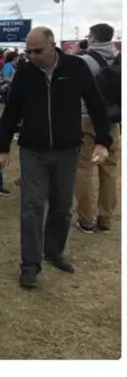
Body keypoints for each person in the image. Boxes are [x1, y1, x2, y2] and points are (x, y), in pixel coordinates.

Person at [0, 27, 111, 289]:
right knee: (32, 206)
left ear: (52, 46)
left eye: (37, 51)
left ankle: (54, 251)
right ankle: (30, 265)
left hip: (67, 149)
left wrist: (104, 140)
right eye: (28, 51)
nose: (32, 56)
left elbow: (96, 103)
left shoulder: (76, 68)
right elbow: (11, 111)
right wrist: (3, 147)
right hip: (32, 150)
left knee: (62, 206)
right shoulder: (25, 73)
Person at [75, 23, 121, 232]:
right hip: (113, 119)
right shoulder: (120, 58)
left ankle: (86, 218)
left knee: (84, 168)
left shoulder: (84, 61)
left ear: (93, 37)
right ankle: (106, 218)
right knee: (109, 169)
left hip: (87, 118)